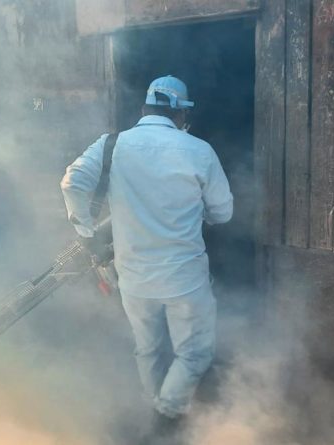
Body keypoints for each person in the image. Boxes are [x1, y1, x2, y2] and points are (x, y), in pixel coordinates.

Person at [61, 75, 233, 430]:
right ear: (181, 114)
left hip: (134, 277)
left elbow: (72, 182)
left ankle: (152, 405)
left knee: (149, 348)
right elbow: (223, 212)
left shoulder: (112, 144)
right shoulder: (199, 150)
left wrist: (86, 232)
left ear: (144, 109)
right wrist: (202, 212)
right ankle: (166, 417)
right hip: (184, 280)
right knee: (194, 353)